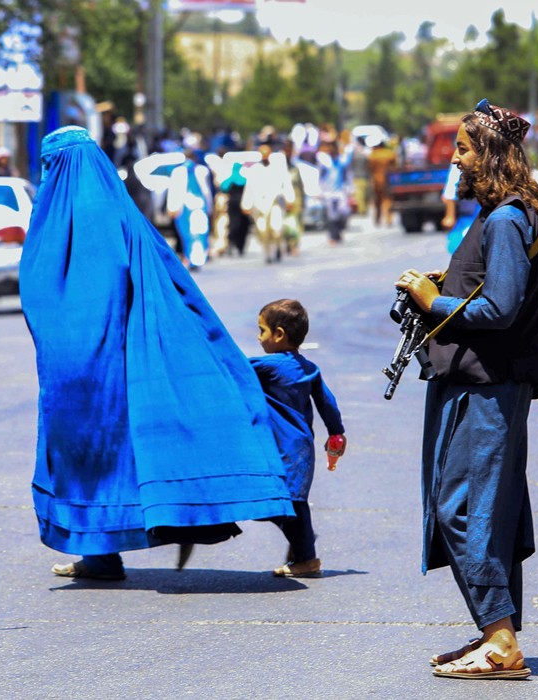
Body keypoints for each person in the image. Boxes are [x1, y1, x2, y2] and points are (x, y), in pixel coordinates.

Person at [20, 126, 294, 580]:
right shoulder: (122, 213)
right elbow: (171, 287)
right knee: (124, 450)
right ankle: (105, 553)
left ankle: (99, 555)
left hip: (75, 370)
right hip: (127, 363)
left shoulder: (58, 217)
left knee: (87, 457)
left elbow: (46, 292)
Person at [394, 98, 538, 681]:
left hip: (488, 389)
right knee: (480, 506)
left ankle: (501, 640)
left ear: (487, 155)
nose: (455, 161)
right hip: (471, 383)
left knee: (464, 508)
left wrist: (433, 301)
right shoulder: (495, 217)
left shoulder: (509, 220)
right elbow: (484, 286)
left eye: (462, 150)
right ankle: (495, 633)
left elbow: (501, 307)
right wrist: (441, 282)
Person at [249, 299, 346, 578]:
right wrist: (336, 433)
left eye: (261, 331)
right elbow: (328, 403)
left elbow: (231, 368)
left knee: (288, 501)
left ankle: (305, 556)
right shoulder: (309, 368)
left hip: (285, 448)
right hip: (300, 447)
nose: (258, 338)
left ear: (279, 334)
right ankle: (301, 543)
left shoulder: (269, 366)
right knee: (289, 500)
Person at [241, 142, 294, 264]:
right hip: (260, 206)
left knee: (276, 229)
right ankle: (267, 255)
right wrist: (246, 204)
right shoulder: (254, 170)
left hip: (274, 204)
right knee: (263, 232)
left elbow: (286, 184)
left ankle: (277, 249)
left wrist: (289, 199)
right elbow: (249, 188)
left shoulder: (277, 168)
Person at [166, 148, 213, 269]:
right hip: (193, 206)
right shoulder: (200, 170)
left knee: (192, 234)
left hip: (192, 206)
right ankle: (194, 259)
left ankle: (194, 259)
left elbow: (174, 191)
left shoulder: (182, 171)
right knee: (195, 233)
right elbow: (207, 191)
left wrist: (171, 207)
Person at [366, 135, 397, 227]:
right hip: (388, 179)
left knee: (377, 200)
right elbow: (394, 166)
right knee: (387, 199)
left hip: (376, 180)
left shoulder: (373, 155)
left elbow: (370, 168)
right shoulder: (390, 153)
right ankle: (388, 219)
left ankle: (377, 219)